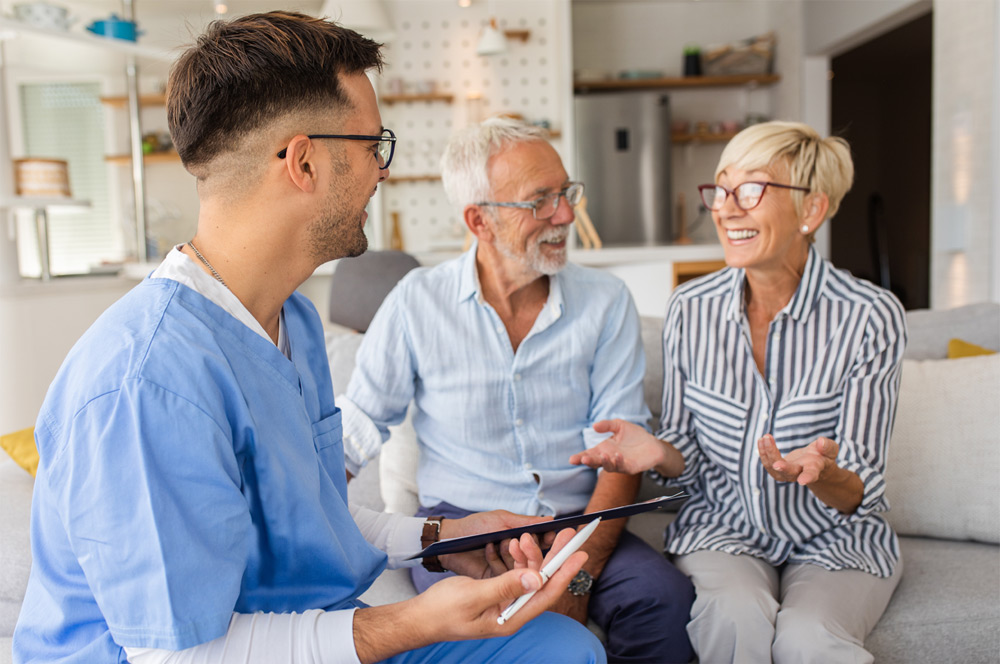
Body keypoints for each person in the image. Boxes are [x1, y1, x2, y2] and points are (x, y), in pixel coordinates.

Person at [12, 12, 607, 664]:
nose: (381, 173)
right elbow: (180, 657)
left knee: (561, 649)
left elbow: (310, 516)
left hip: (308, 631)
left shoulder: (291, 323)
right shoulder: (148, 381)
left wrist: (443, 534)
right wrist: (412, 622)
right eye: (372, 146)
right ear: (304, 162)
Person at [342, 117, 695, 664]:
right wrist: (299, 504)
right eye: (541, 201)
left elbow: (623, 450)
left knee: (663, 599)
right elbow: (359, 423)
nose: (566, 215)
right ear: (479, 220)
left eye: (566, 193)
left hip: (579, 523)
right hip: (464, 527)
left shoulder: (605, 301)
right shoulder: (417, 303)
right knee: (480, 622)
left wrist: (580, 573)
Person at [571, 120, 907, 663]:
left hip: (835, 539)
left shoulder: (870, 316)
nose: (726, 208)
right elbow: (687, 451)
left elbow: (859, 487)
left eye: (750, 190)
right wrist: (660, 451)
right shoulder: (691, 308)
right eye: (720, 189)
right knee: (732, 618)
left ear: (811, 211)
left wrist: (821, 474)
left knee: (809, 639)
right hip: (724, 529)